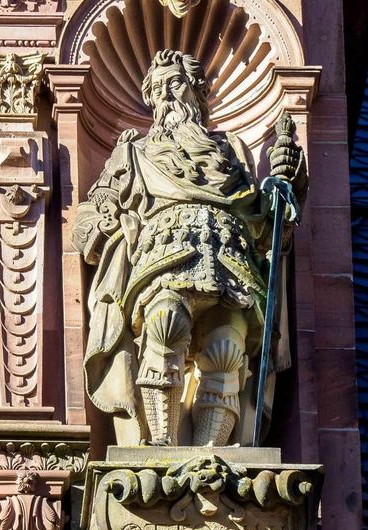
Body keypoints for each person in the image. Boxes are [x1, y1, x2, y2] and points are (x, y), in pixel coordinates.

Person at [72, 49, 306, 446]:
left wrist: (287, 183)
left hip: (231, 256)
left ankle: (214, 452)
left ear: (196, 92)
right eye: (157, 88)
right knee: (165, 326)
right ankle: (161, 448)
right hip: (164, 253)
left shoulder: (231, 152)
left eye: (174, 82)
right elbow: (89, 219)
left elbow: (268, 231)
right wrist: (107, 228)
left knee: (227, 350)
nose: (166, 94)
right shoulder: (133, 153)